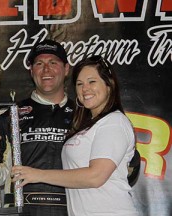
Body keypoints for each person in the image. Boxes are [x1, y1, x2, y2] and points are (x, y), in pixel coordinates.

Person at [11, 55, 139, 216]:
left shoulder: (114, 122)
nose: (85, 89)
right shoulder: (86, 125)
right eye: (79, 84)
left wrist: (38, 174)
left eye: (92, 81)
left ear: (109, 85)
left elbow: (96, 176)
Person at [0, 39, 74, 216]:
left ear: (66, 69)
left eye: (53, 62)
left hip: (74, 209)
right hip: (23, 210)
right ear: (31, 71)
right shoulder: (10, 116)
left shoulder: (84, 116)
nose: (46, 69)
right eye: (39, 63)